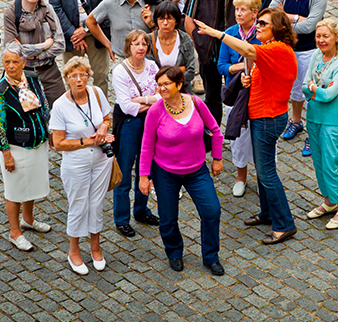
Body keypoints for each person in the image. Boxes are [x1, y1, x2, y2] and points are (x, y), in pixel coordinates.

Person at [194, 8, 298, 245]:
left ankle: (285, 224)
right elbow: (263, 73)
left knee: (266, 172)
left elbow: (248, 49)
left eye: (263, 23)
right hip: (262, 115)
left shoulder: (278, 49)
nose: (258, 27)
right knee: (263, 170)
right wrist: (247, 79)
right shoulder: (271, 49)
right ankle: (268, 213)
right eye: (258, 22)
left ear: (278, 28)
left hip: (268, 118)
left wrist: (216, 33)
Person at [139, 65, 225, 276]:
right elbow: (147, 145)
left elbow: (215, 130)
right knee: (168, 218)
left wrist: (217, 158)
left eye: (166, 84)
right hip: (165, 173)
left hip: (197, 171)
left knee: (212, 211)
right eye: (159, 85)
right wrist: (143, 176)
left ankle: (211, 256)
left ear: (179, 84)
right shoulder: (155, 111)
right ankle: (174, 252)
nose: (162, 89)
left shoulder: (195, 103)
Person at [49, 56, 115, 275]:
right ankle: (74, 250)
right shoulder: (60, 106)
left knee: (96, 203)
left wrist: (104, 129)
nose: (79, 79)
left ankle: (95, 247)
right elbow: (58, 143)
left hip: (101, 160)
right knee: (78, 204)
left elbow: (107, 118)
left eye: (83, 75)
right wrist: (87, 141)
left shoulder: (96, 93)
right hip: (76, 161)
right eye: (74, 76)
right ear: (67, 78)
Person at [0, 42, 52, 251]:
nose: (11, 66)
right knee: (15, 190)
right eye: (6, 62)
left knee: (32, 185)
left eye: (15, 62)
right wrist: (6, 154)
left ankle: (28, 219)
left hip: (37, 144)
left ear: (23, 62)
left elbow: (43, 105)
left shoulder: (33, 79)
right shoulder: (1, 90)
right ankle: (14, 232)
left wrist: (49, 133)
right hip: (15, 148)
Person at [270, 0, 328, 155]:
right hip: (286, 47)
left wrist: (287, 17)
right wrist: (296, 18)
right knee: (294, 89)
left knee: (309, 90)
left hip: (307, 48)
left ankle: (312, 134)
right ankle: (296, 121)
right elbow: (272, 12)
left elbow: (311, 25)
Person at [184, 0, 251, 124]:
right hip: (209, 54)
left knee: (238, 93)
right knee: (211, 97)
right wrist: (200, 43)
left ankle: (238, 131)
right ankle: (213, 135)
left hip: (235, 55)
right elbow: (188, 20)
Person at [302, 19, 338, 229]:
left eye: (326, 36)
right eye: (318, 36)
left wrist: (316, 90)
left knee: (331, 164)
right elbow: (305, 86)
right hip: (314, 116)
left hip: (332, 121)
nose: (321, 40)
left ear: (336, 37)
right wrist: (316, 89)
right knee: (319, 162)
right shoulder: (316, 55)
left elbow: (331, 94)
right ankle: (329, 201)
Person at [111, 30, 160, 237]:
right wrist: (151, 101)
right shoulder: (120, 71)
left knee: (145, 167)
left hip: (150, 121)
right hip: (129, 123)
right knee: (124, 170)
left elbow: (161, 96)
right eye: (136, 44)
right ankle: (122, 219)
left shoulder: (152, 66)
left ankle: (141, 210)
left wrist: (142, 100)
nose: (140, 47)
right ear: (128, 47)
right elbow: (126, 106)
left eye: (144, 44)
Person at [216, 0, 262, 198]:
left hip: (259, 93)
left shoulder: (262, 34)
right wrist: (239, 67)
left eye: (243, 9)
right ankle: (240, 176)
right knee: (239, 138)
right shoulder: (230, 33)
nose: (238, 13)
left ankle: (264, 177)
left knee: (260, 136)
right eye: (236, 9)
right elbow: (221, 66)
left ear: (255, 12)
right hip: (236, 92)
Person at [2, 0, 66, 104]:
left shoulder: (48, 10)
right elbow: (10, 49)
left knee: (60, 110)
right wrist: (43, 46)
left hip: (49, 73)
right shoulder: (12, 11)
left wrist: (33, 55)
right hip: (22, 74)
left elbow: (60, 44)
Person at [85, 0, 161, 62]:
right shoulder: (110, 2)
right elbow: (90, 21)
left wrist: (151, 25)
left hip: (147, 59)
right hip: (121, 59)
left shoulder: (151, 3)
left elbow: (164, 34)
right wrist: (108, 44)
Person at [146, 0, 197, 94]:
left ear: (176, 21)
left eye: (169, 18)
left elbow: (190, 70)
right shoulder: (149, 40)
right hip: (157, 92)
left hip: (182, 91)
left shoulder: (185, 39)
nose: (165, 23)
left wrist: (172, 84)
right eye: (161, 19)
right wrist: (179, 70)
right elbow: (149, 72)